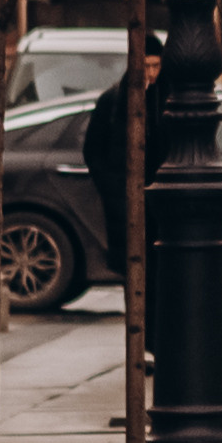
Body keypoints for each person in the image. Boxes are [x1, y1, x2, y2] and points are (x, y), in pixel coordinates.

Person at [82, 34, 166, 283]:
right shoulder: (114, 100)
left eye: (156, 65)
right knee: (135, 274)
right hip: (128, 199)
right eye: (146, 65)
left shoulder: (165, 98)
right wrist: (112, 188)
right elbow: (93, 150)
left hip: (158, 199)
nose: (152, 73)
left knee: (158, 275)